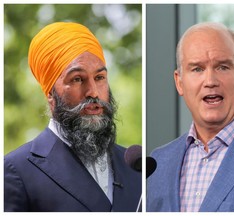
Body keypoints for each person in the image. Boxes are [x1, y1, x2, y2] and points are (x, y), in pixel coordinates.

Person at [4, 22, 141, 212]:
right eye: (77, 79)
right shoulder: (16, 170)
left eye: (100, 78)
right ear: (50, 94)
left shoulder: (135, 166)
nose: (93, 92)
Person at [147, 22, 234, 212]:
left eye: (222, 67)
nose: (210, 81)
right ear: (179, 82)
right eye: (197, 69)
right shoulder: (157, 163)